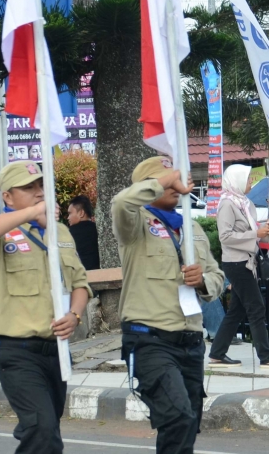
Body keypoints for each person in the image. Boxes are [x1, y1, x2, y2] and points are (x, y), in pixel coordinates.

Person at [0, 161, 90, 454]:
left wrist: (74, 315)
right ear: (8, 196)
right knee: (41, 429)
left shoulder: (59, 232)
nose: (38, 193)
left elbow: (80, 283)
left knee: (47, 429)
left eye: (40, 186)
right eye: (28, 188)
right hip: (16, 350)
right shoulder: (1, 232)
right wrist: (32, 214)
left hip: (55, 350)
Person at [113, 156, 224, 453]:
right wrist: (167, 179)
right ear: (149, 185)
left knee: (186, 425)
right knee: (177, 417)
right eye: (168, 180)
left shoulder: (191, 228)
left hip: (190, 341)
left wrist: (202, 280)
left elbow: (217, 276)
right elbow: (121, 203)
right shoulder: (134, 223)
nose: (177, 185)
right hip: (150, 340)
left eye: (178, 179)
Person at [208, 164, 269, 369]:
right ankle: (265, 357)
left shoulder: (244, 203)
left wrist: (262, 231)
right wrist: (256, 234)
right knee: (256, 307)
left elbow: (253, 231)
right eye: (248, 179)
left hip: (246, 262)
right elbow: (225, 237)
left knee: (237, 310)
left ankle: (217, 353)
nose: (251, 182)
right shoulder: (228, 204)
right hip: (237, 263)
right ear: (237, 180)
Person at [67, 195, 101, 270]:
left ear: (81, 213)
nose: (68, 217)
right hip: (98, 274)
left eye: (70, 213)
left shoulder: (70, 233)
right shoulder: (98, 230)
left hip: (79, 277)